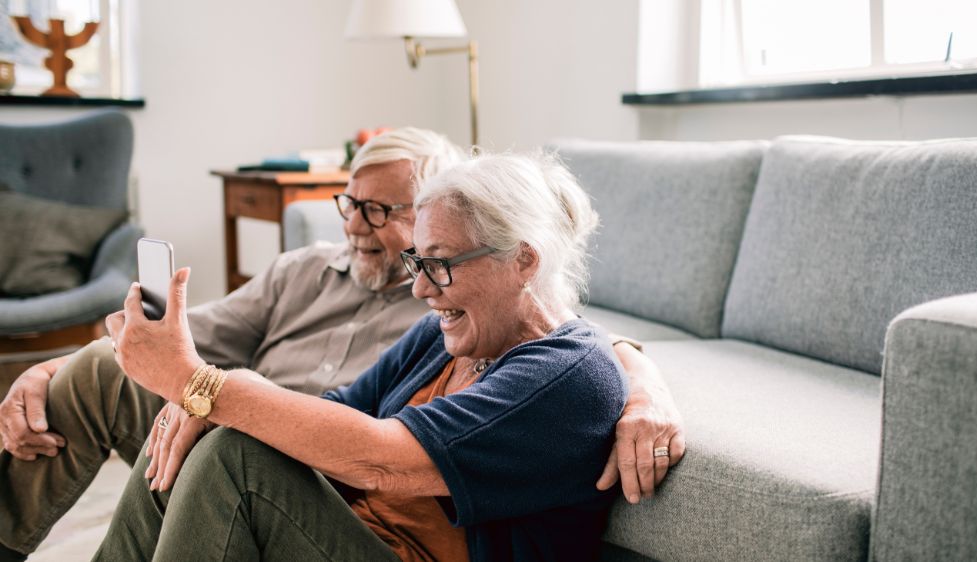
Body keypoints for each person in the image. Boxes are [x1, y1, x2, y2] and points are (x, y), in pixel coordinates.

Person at [0, 130, 684, 561]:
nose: (421, 289)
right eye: (418, 263)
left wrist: (204, 387)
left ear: (523, 261)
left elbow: (386, 462)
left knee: (233, 452)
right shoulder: (445, 336)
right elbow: (339, 407)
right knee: (204, 431)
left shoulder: (564, 375)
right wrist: (194, 399)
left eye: (438, 264)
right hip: (348, 530)